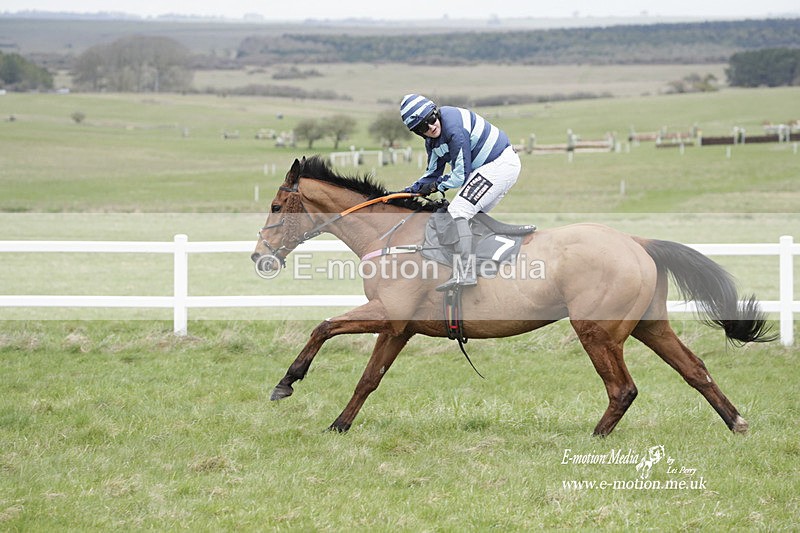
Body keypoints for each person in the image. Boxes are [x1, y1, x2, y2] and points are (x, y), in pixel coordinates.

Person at [400, 93, 521, 291]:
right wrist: (409, 192)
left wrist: (435, 186)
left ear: (436, 113)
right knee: (469, 216)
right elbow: (432, 173)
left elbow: (459, 176)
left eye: (431, 119)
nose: (431, 127)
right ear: (417, 132)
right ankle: (483, 267)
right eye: (423, 127)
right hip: (490, 168)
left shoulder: (454, 129)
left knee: (458, 211)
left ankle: (466, 272)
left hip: (499, 165)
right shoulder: (431, 141)